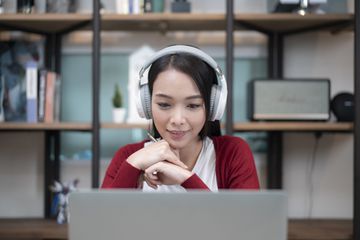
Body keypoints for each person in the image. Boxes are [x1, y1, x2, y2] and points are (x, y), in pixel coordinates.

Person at [101, 45, 259, 191]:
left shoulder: (232, 154)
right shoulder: (129, 157)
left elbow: (246, 221)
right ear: (147, 105)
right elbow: (100, 220)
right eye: (164, 104)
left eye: (193, 105)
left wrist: (185, 178)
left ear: (212, 107)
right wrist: (132, 167)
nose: (177, 120)